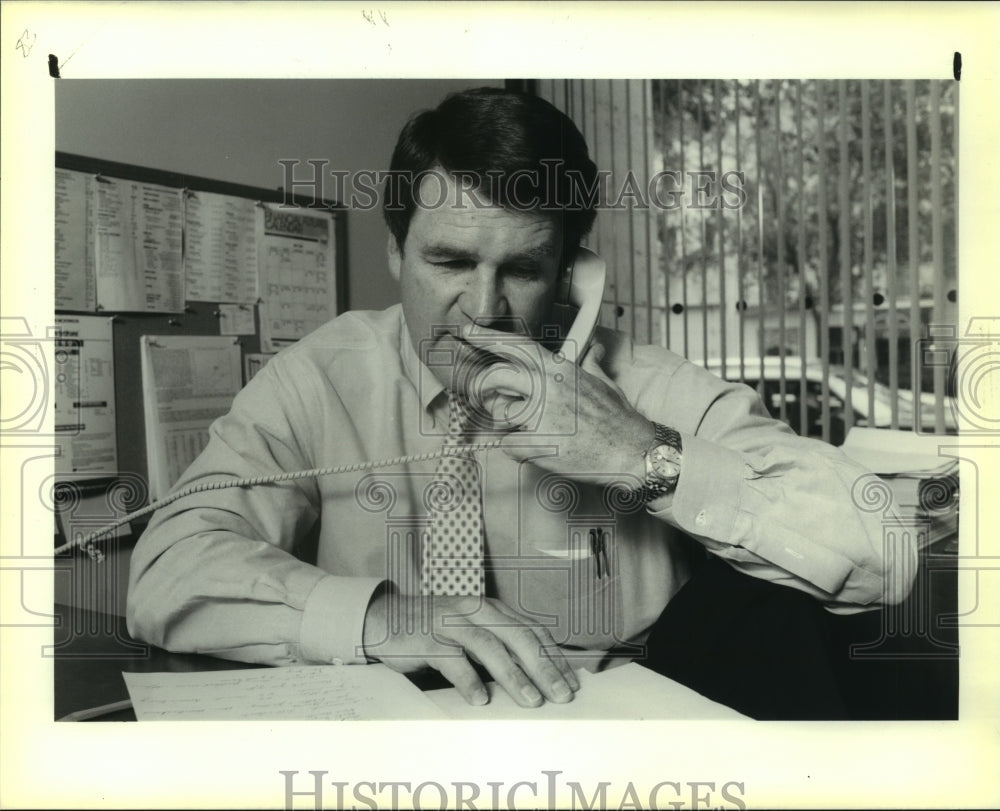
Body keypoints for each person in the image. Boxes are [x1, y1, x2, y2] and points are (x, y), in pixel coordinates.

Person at [127, 87, 915, 718]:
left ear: (573, 274)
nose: (482, 309)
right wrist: (385, 616)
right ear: (396, 251)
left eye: (523, 269)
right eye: (449, 260)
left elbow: (886, 548)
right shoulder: (321, 376)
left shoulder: (642, 384)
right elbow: (169, 566)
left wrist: (645, 455)